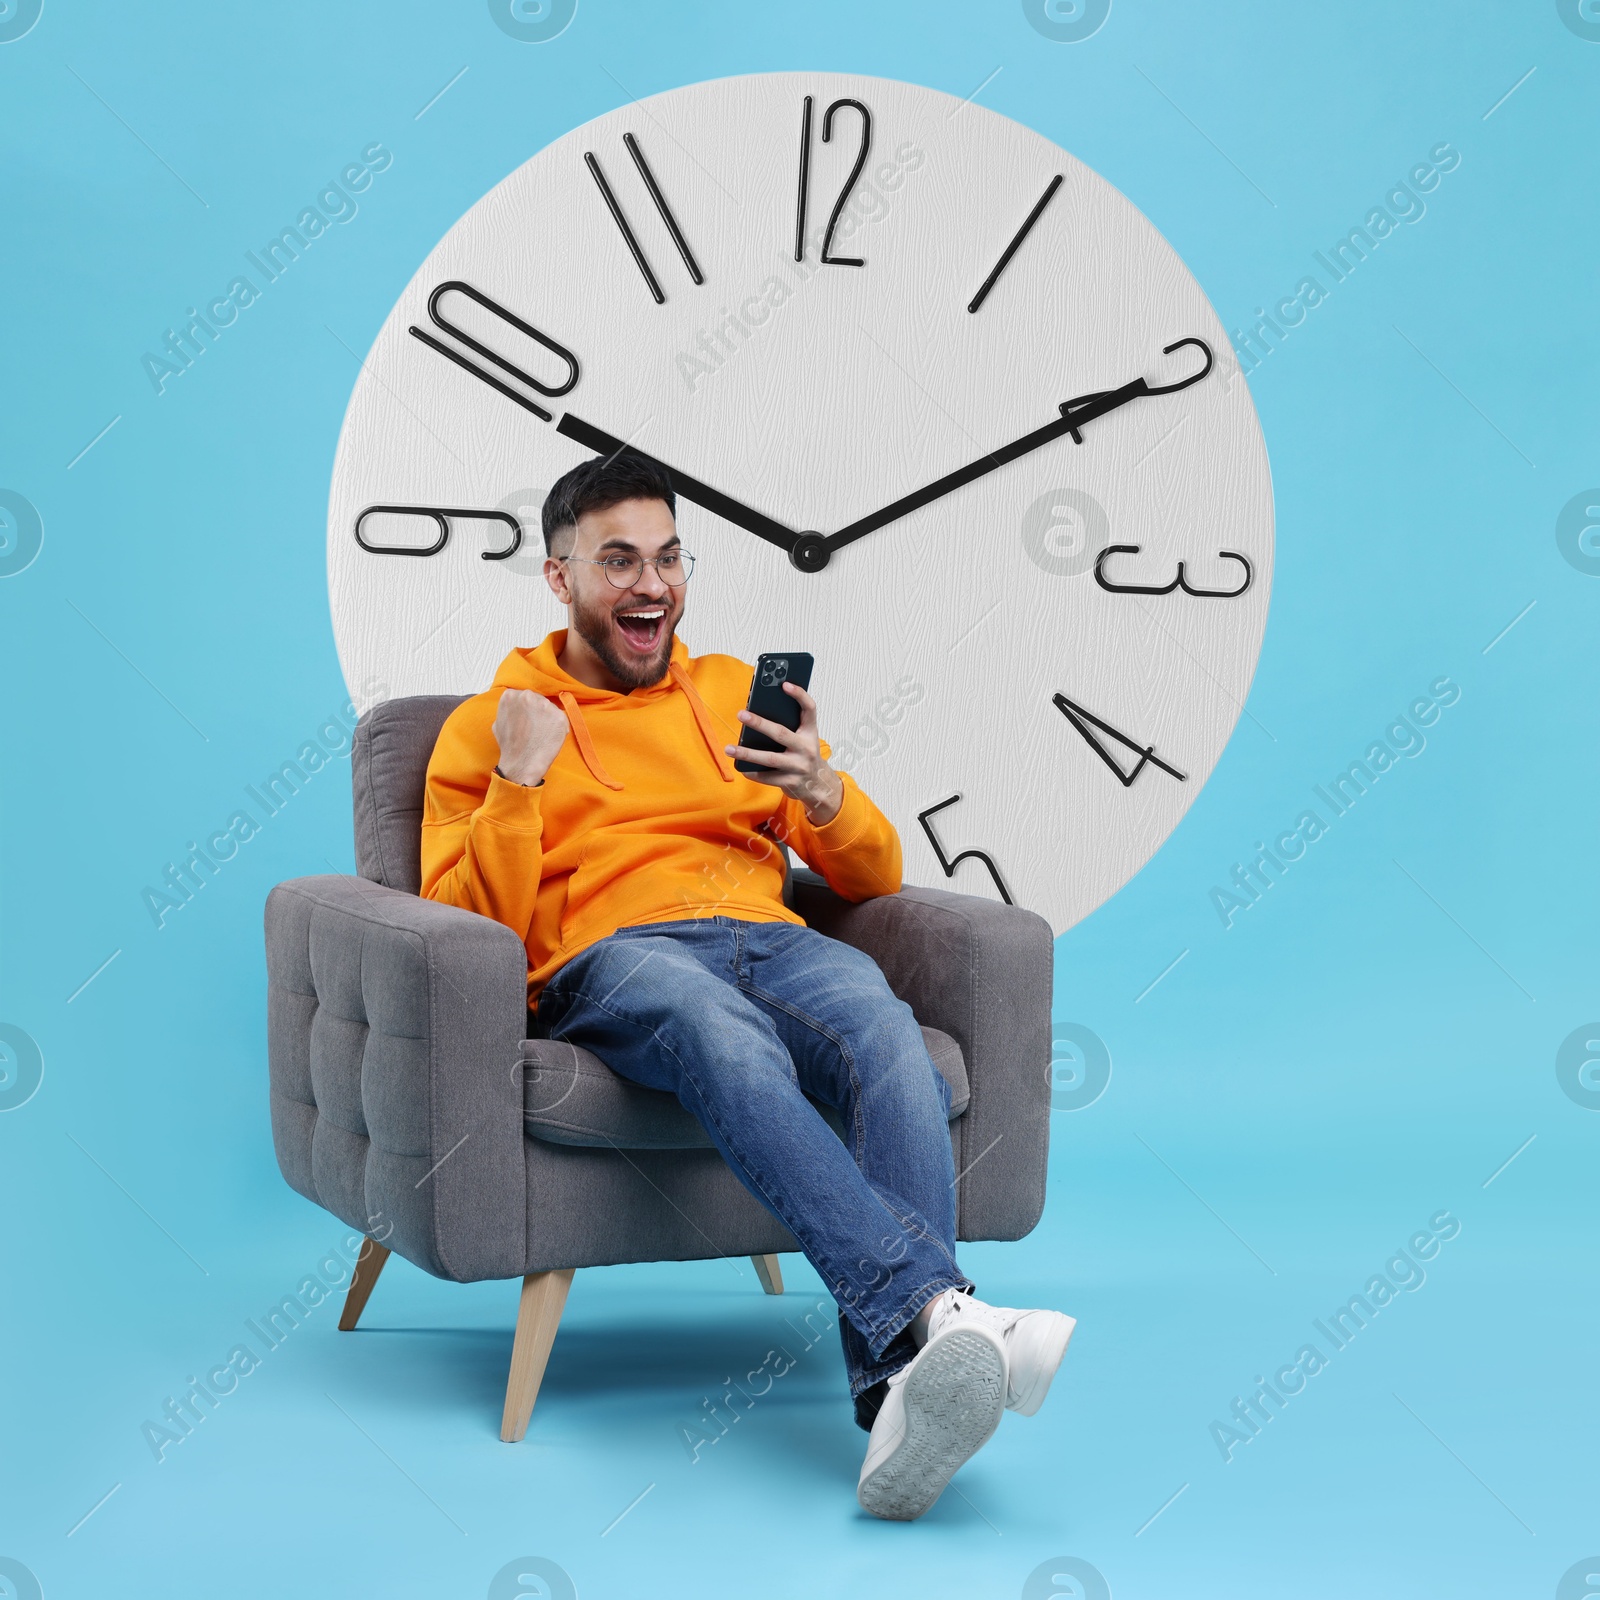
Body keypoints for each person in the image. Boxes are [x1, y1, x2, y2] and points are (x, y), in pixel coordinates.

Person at [420, 448, 1075, 1520]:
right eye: (619, 560)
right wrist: (518, 777)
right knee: (717, 1030)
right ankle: (947, 1310)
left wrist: (821, 788)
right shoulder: (494, 722)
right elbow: (471, 922)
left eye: (670, 557)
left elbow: (871, 876)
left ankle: (900, 1395)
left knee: (876, 1017)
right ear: (559, 577)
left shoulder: (729, 692)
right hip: (613, 956)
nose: (652, 585)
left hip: (765, 932)